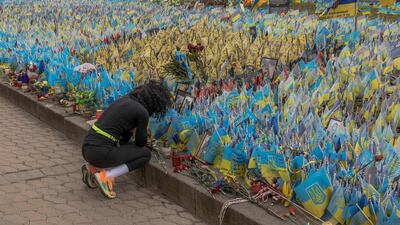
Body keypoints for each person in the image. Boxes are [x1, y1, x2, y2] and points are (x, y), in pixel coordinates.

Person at [81, 81, 172, 199]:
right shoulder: (142, 112)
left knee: (119, 147)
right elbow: (140, 143)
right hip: (100, 153)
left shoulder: (124, 100)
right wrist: (140, 131)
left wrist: (130, 131)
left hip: (87, 149)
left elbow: (123, 141)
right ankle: (107, 176)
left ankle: (92, 170)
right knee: (145, 154)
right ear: (155, 105)